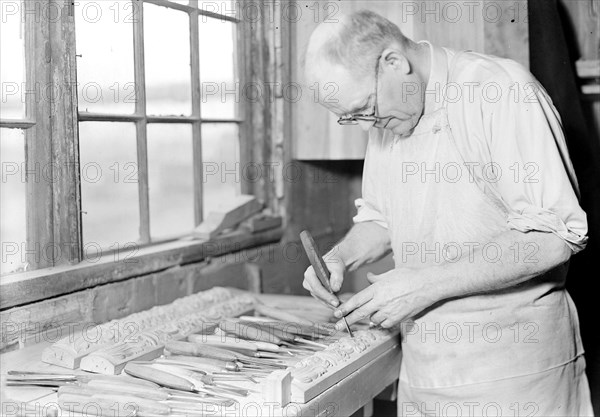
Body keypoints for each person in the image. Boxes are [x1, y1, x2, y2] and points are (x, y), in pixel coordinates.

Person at [302, 10, 593, 416]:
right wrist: (341, 257)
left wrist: (423, 284)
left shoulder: (499, 91)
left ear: (393, 62)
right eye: (353, 117)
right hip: (425, 371)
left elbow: (554, 239)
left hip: (513, 375)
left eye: (365, 109)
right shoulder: (389, 117)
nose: (368, 126)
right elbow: (381, 217)